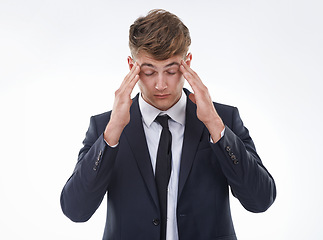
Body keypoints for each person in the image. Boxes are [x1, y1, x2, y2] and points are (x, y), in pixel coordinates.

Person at [60, 9, 276, 240]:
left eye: (171, 70)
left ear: (187, 62)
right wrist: (112, 134)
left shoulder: (224, 118)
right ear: (132, 66)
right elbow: (76, 210)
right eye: (149, 71)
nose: (160, 84)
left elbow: (260, 201)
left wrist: (214, 125)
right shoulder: (105, 125)